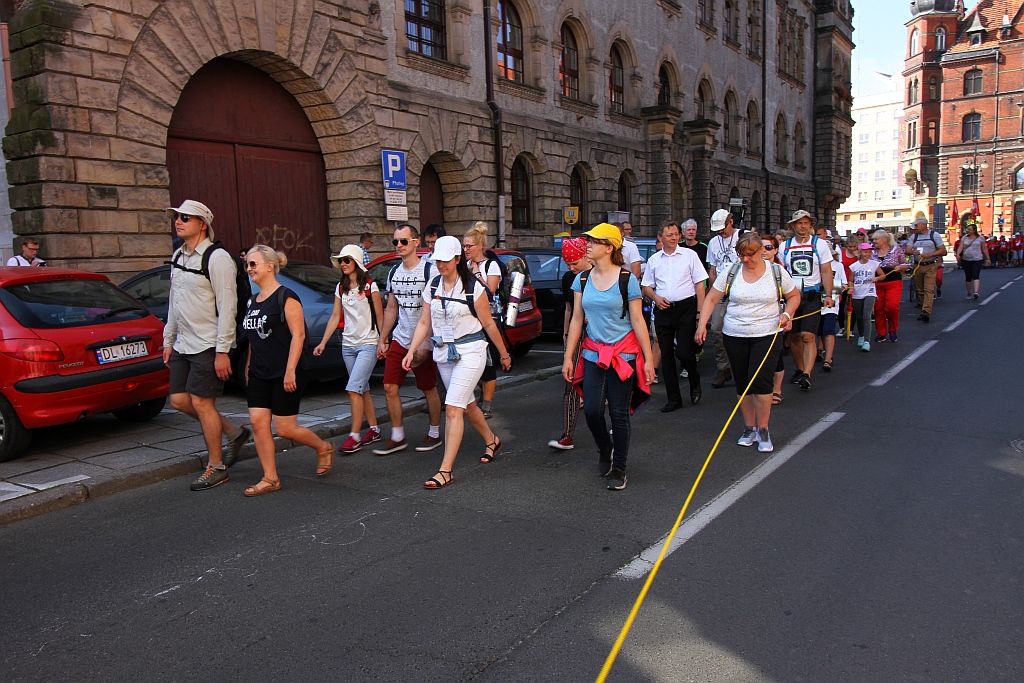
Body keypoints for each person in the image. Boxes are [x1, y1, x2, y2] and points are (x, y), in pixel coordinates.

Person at [403, 235, 511, 489]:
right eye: (437, 260)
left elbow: (488, 324)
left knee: (452, 407)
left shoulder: (474, 287)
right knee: (467, 405)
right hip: (444, 353)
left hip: (472, 351)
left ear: (458, 259)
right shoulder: (432, 286)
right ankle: (492, 440)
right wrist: (411, 350)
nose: (441, 265)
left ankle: (445, 470)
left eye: (446, 260)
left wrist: (503, 354)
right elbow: (424, 322)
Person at [163, 200, 250, 491]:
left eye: (185, 217)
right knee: (178, 400)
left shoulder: (218, 258)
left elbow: (228, 306)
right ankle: (234, 433)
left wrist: (223, 350)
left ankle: (216, 466)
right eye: (177, 217)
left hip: (207, 343)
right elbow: (174, 302)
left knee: (202, 403)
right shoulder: (178, 255)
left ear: (202, 224)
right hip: (183, 343)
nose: (178, 221)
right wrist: (168, 339)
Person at [563, 223, 655, 492]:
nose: (588, 245)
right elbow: (578, 319)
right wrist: (569, 357)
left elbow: (638, 321)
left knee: (617, 413)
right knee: (591, 410)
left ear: (609, 247)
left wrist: (649, 359)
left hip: (623, 354)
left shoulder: (628, 280)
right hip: (593, 353)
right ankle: (605, 448)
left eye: (594, 241)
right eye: (588, 240)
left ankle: (620, 468)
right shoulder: (582, 279)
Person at [240, 245, 335, 496]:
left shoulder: (286, 296)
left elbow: (298, 335)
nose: (248, 269)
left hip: (286, 370)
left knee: (284, 428)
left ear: (270, 266)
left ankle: (323, 447)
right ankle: (270, 478)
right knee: (258, 423)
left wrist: (290, 370)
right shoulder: (252, 300)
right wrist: (249, 365)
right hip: (260, 371)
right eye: (247, 264)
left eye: (253, 264)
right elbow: (253, 337)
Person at [697, 233, 800, 453]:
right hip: (735, 334)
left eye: (749, 254)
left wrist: (787, 315)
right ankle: (749, 427)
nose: (745, 259)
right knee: (743, 383)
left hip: (767, 333)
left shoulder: (775, 271)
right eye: (741, 255)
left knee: (762, 383)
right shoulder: (732, 271)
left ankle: (763, 429)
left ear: (761, 251)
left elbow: (793, 296)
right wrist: (702, 324)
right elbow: (712, 298)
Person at [373, 224, 443, 454]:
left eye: (404, 241)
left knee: (428, 387)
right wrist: (383, 339)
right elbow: (392, 308)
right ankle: (397, 435)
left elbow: (436, 309)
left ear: (415, 243)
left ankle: (434, 433)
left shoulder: (429, 271)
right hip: (401, 338)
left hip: (424, 340)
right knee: (389, 386)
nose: (399, 246)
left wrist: (426, 342)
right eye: (396, 242)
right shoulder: (394, 272)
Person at [316, 244, 385, 454]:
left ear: (356, 261)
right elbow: (335, 316)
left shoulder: (370, 286)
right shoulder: (340, 287)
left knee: (353, 387)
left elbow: (380, 317)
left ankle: (354, 436)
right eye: (341, 261)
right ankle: (374, 429)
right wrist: (323, 342)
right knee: (361, 388)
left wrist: (384, 341)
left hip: (368, 343)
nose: (343, 264)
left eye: (347, 260)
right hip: (348, 345)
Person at [641, 220, 707, 412]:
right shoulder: (654, 260)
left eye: (676, 234)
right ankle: (674, 399)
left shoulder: (690, 255)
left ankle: (694, 380)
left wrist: (699, 313)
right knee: (667, 355)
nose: (673, 237)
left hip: (686, 308)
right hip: (663, 310)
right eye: (669, 235)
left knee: (685, 353)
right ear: (660, 237)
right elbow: (646, 287)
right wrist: (656, 298)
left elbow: (700, 286)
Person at [778, 210, 835, 392]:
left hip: (811, 294)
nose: (802, 226)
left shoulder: (820, 245)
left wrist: (828, 294)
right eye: (799, 223)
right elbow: (781, 271)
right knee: (793, 336)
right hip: (792, 296)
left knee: (807, 335)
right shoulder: (784, 246)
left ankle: (807, 374)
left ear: (810, 225)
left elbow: (826, 270)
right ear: (793, 225)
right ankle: (800, 368)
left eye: (806, 223)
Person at [548, 237, 591, 450]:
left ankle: (614, 428)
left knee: (606, 385)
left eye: (575, 263)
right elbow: (569, 309)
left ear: (586, 256)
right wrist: (566, 335)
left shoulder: (601, 275)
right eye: (568, 265)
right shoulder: (570, 279)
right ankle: (568, 435)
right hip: (577, 334)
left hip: (600, 337)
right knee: (571, 381)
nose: (572, 268)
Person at [462, 221, 504, 418]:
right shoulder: (464, 266)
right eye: (464, 246)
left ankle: (486, 404)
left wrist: (477, 274)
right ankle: (475, 398)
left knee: (488, 363)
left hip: (490, 320)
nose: (466, 249)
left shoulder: (491, 265)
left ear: (480, 246)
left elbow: (490, 292)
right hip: (471, 320)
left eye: (469, 246)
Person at [706, 209, 739, 388]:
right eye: (717, 228)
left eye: (722, 227)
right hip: (720, 290)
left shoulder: (743, 237)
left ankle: (741, 365)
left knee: (739, 329)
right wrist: (712, 294)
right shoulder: (713, 243)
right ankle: (723, 367)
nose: (720, 231)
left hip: (740, 290)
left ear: (731, 222)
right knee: (717, 329)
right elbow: (712, 270)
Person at [761, 234, 787, 405]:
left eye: (768, 247)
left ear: (775, 250)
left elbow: (790, 294)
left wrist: (787, 315)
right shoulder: (751, 267)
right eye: (761, 247)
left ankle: (776, 389)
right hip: (758, 318)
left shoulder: (779, 269)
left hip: (777, 314)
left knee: (775, 353)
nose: (764, 251)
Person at [870, 229, 910, 343]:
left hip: (893, 282)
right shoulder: (872, 252)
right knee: (878, 309)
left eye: (876, 239)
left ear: (885, 239)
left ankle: (893, 329)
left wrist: (900, 267)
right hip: (877, 283)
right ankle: (881, 333)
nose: (874, 241)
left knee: (892, 306)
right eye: (873, 239)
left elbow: (906, 264)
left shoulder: (896, 250)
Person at [906, 216, 947, 323]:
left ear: (923, 225)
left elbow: (943, 250)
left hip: (930, 265)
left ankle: (926, 311)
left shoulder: (934, 235)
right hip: (918, 265)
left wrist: (930, 254)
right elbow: (908, 249)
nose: (915, 227)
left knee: (929, 288)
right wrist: (912, 252)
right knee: (920, 289)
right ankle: (923, 308)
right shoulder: (914, 237)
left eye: (917, 225)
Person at [817, 251, 848, 372]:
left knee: (828, 329)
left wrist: (840, 289)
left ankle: (828, 358)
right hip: (816, 302)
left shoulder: (837, 265)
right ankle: (821, 349)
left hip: (831, 303)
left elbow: (844, 283)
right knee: (819, 330)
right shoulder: (814, 265)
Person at [849, 243, 884, 351]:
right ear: (860, 253)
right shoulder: (854, 266)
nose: (868, 254)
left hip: (870, 292)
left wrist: (877, 279)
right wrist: (851, 288)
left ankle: (867, 341)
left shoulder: (874, 264)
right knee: (859, 316)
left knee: (866, 315)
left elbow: (883, 275)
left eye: (869, 252)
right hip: (858, 293)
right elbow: (851, 279)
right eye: (865, 252)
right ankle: (861, 335)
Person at [954, 220, 989, 300]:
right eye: (967, 229)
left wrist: (987, 258)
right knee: (968, 276)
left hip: (977, 259)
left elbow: (984, 249)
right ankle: (969, 292)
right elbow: (961, 247)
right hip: (966, 259)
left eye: (969, 229)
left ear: (974, 230)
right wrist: (958, 254)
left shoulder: (980, 238)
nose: (967, 230)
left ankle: (976, 292)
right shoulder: (964, 238)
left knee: (976, 275)